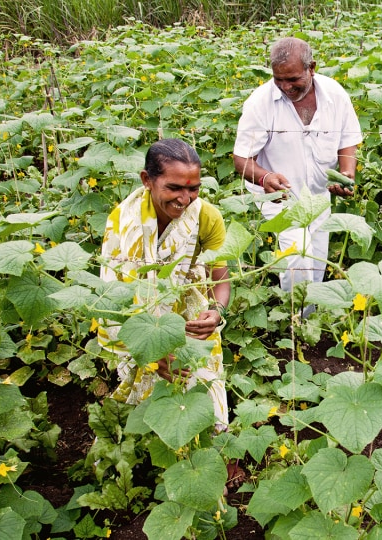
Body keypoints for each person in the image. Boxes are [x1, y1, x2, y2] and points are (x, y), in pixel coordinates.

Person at [97, 138, 231, 431]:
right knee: (149, 411)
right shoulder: (123, 220)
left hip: (191, 320)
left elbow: (221, 278)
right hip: (138, 327)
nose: (185, 199)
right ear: (147, 180)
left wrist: (217, 311)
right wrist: (154, 354)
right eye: (173, 188)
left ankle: (213, 444)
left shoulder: (207, 217)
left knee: (202, 395)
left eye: (193, 188)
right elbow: (113, 296)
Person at [232, 37, 362, 307]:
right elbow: (241, 158)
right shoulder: (260, 103)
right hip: (282, 200)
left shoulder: (335, 95)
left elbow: (348, 139)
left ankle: (309, 325)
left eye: (292, 79)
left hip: (319, 197)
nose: (285, 87)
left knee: (316, 262)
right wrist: (264, 177)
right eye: (278, 79)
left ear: (311, 67)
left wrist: (347, 173)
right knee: (297, 260)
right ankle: (295, 324)